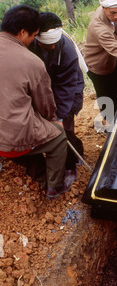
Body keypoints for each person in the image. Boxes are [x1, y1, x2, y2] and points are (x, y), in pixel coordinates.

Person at [0, 5, 73, 199]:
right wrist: (52, 119)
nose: (33, 40)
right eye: (33, 35)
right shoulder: (31, 61)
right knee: (58, 137)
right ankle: (54, 186)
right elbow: (45, 105)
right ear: (22, 32)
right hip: (10, 139)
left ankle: (39, 175)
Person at [30, 12, 84, 187]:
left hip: (68, 89)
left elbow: (66, 86)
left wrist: (59, 116)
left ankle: (72, 162)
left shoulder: (66, 49)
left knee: (65, 130)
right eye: (48, 45)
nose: (52, 48)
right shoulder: (30, 44)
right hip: (46, 89)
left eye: (55, 44)